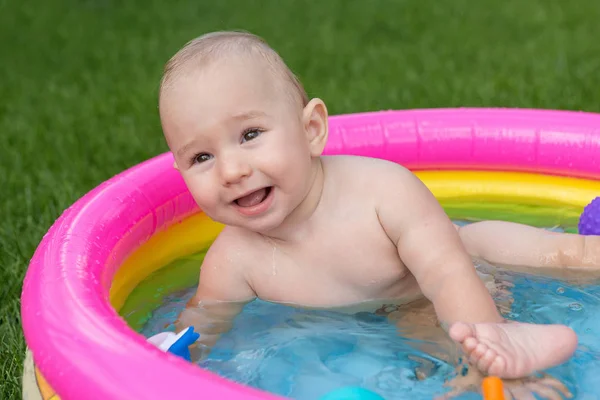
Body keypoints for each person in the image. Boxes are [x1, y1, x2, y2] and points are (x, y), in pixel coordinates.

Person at [157, 30, 599, 393]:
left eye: (250, 133)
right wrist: (159, 360)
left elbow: (447, 273)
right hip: (403, 310)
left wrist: (488, 349)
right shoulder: (233, 261)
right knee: (430, 347)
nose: (231, 171)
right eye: (201, 158)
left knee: (570, 256)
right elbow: (199, 329)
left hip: (465, 261)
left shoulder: (380, 191)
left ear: (311, 130)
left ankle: (511, 359)